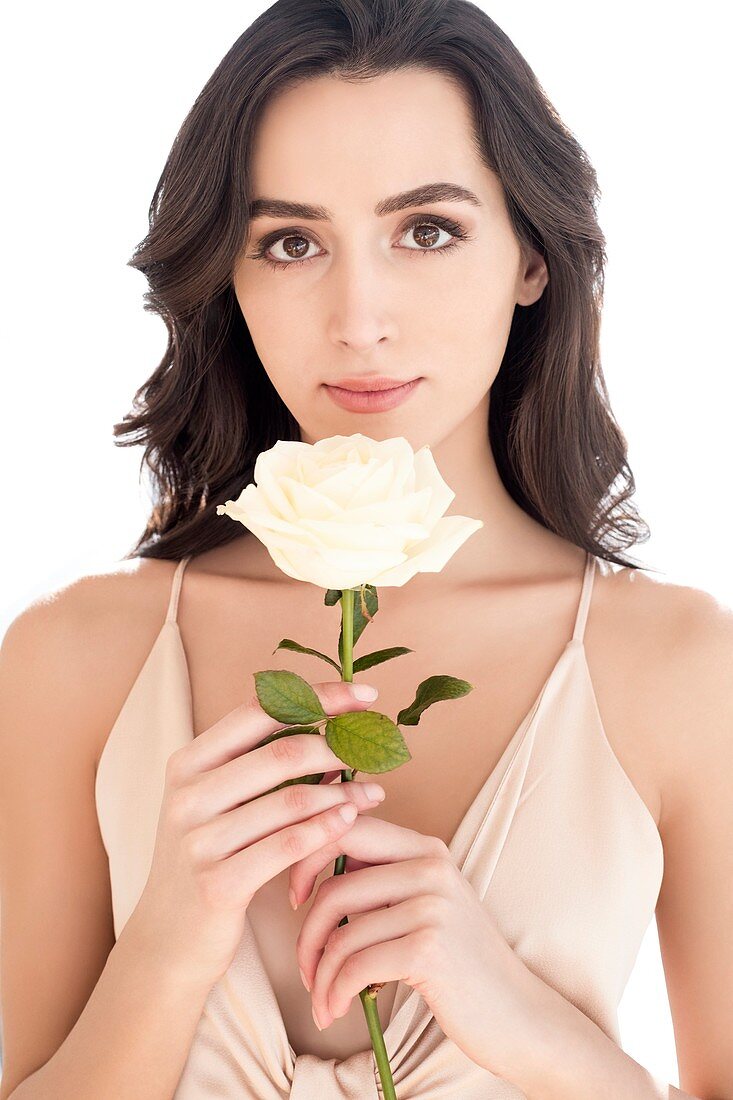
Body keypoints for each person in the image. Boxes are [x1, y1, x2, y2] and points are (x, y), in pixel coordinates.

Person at [1, 1, 730, 1097]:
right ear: (229, 276)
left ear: (531, 254)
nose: (359, 315)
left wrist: (520, 1015)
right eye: (291, 241)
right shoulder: (71, 657)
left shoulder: (679, 667)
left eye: (425, 229)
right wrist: (166, 943)